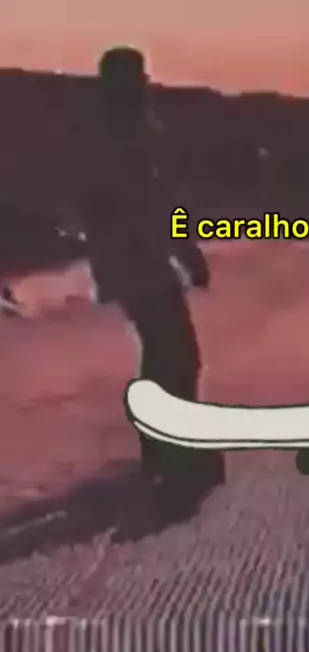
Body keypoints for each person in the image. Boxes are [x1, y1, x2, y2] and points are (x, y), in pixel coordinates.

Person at [71, 45, 225, 518]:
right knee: (177, 355)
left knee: (164, 353)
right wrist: (187, 254)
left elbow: (109, 208)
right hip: (141, 262)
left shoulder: (108, 135)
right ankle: (175, 451)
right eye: (139, 76)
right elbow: (156, 207)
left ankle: (163, 449)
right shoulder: (130, 137)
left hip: (130, 262)